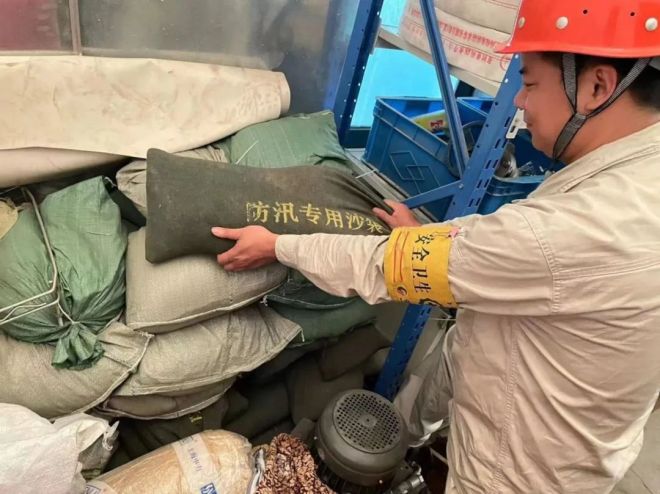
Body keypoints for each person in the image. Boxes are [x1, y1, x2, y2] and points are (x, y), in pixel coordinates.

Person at [210, 0, 660, 492]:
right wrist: (426, 243)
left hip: (514, 474)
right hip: (564, 428)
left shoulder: (583, 229)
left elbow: (378, 265)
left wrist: (278, 246)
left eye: (530, 84)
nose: (518, 101)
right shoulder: (636, 181)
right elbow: (518, 263)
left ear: (597, 87)